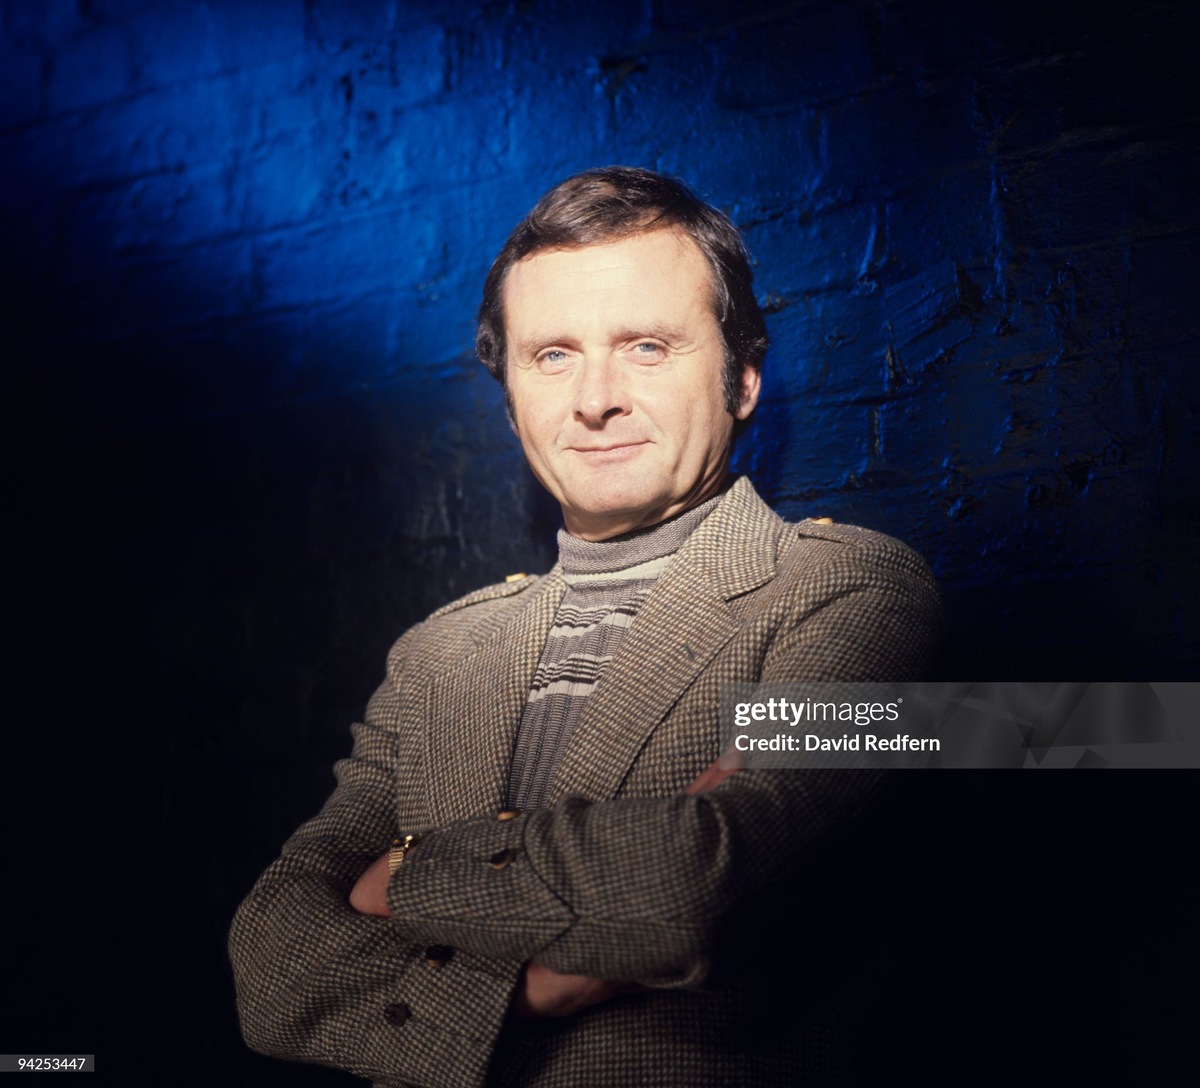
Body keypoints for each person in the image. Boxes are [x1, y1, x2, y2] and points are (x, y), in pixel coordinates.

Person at [229, 166, 942, 1087]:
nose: (594, 397)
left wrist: (401, 872)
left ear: (744, 380)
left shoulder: (848, 594)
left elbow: (693, 888)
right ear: (512, 391)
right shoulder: (439, 654)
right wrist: (522, 994)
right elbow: (271, 961)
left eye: (647, 346)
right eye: (552, 354)